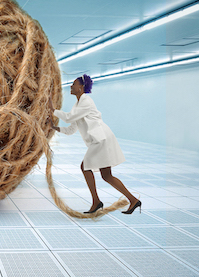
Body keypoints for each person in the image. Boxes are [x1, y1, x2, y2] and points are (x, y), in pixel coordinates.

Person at [50, 74, 141, 214]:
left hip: (101, 139)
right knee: (106, 175)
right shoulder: (78, 105)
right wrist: (55, 128)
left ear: (81, 88)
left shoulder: (86, 101)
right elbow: (71, 129)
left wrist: (52, 110)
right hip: (100, 139)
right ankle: (134, 200)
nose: (71, 86)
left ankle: (96, 202)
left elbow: (68, 117)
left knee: (85, 167)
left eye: (73, 84)